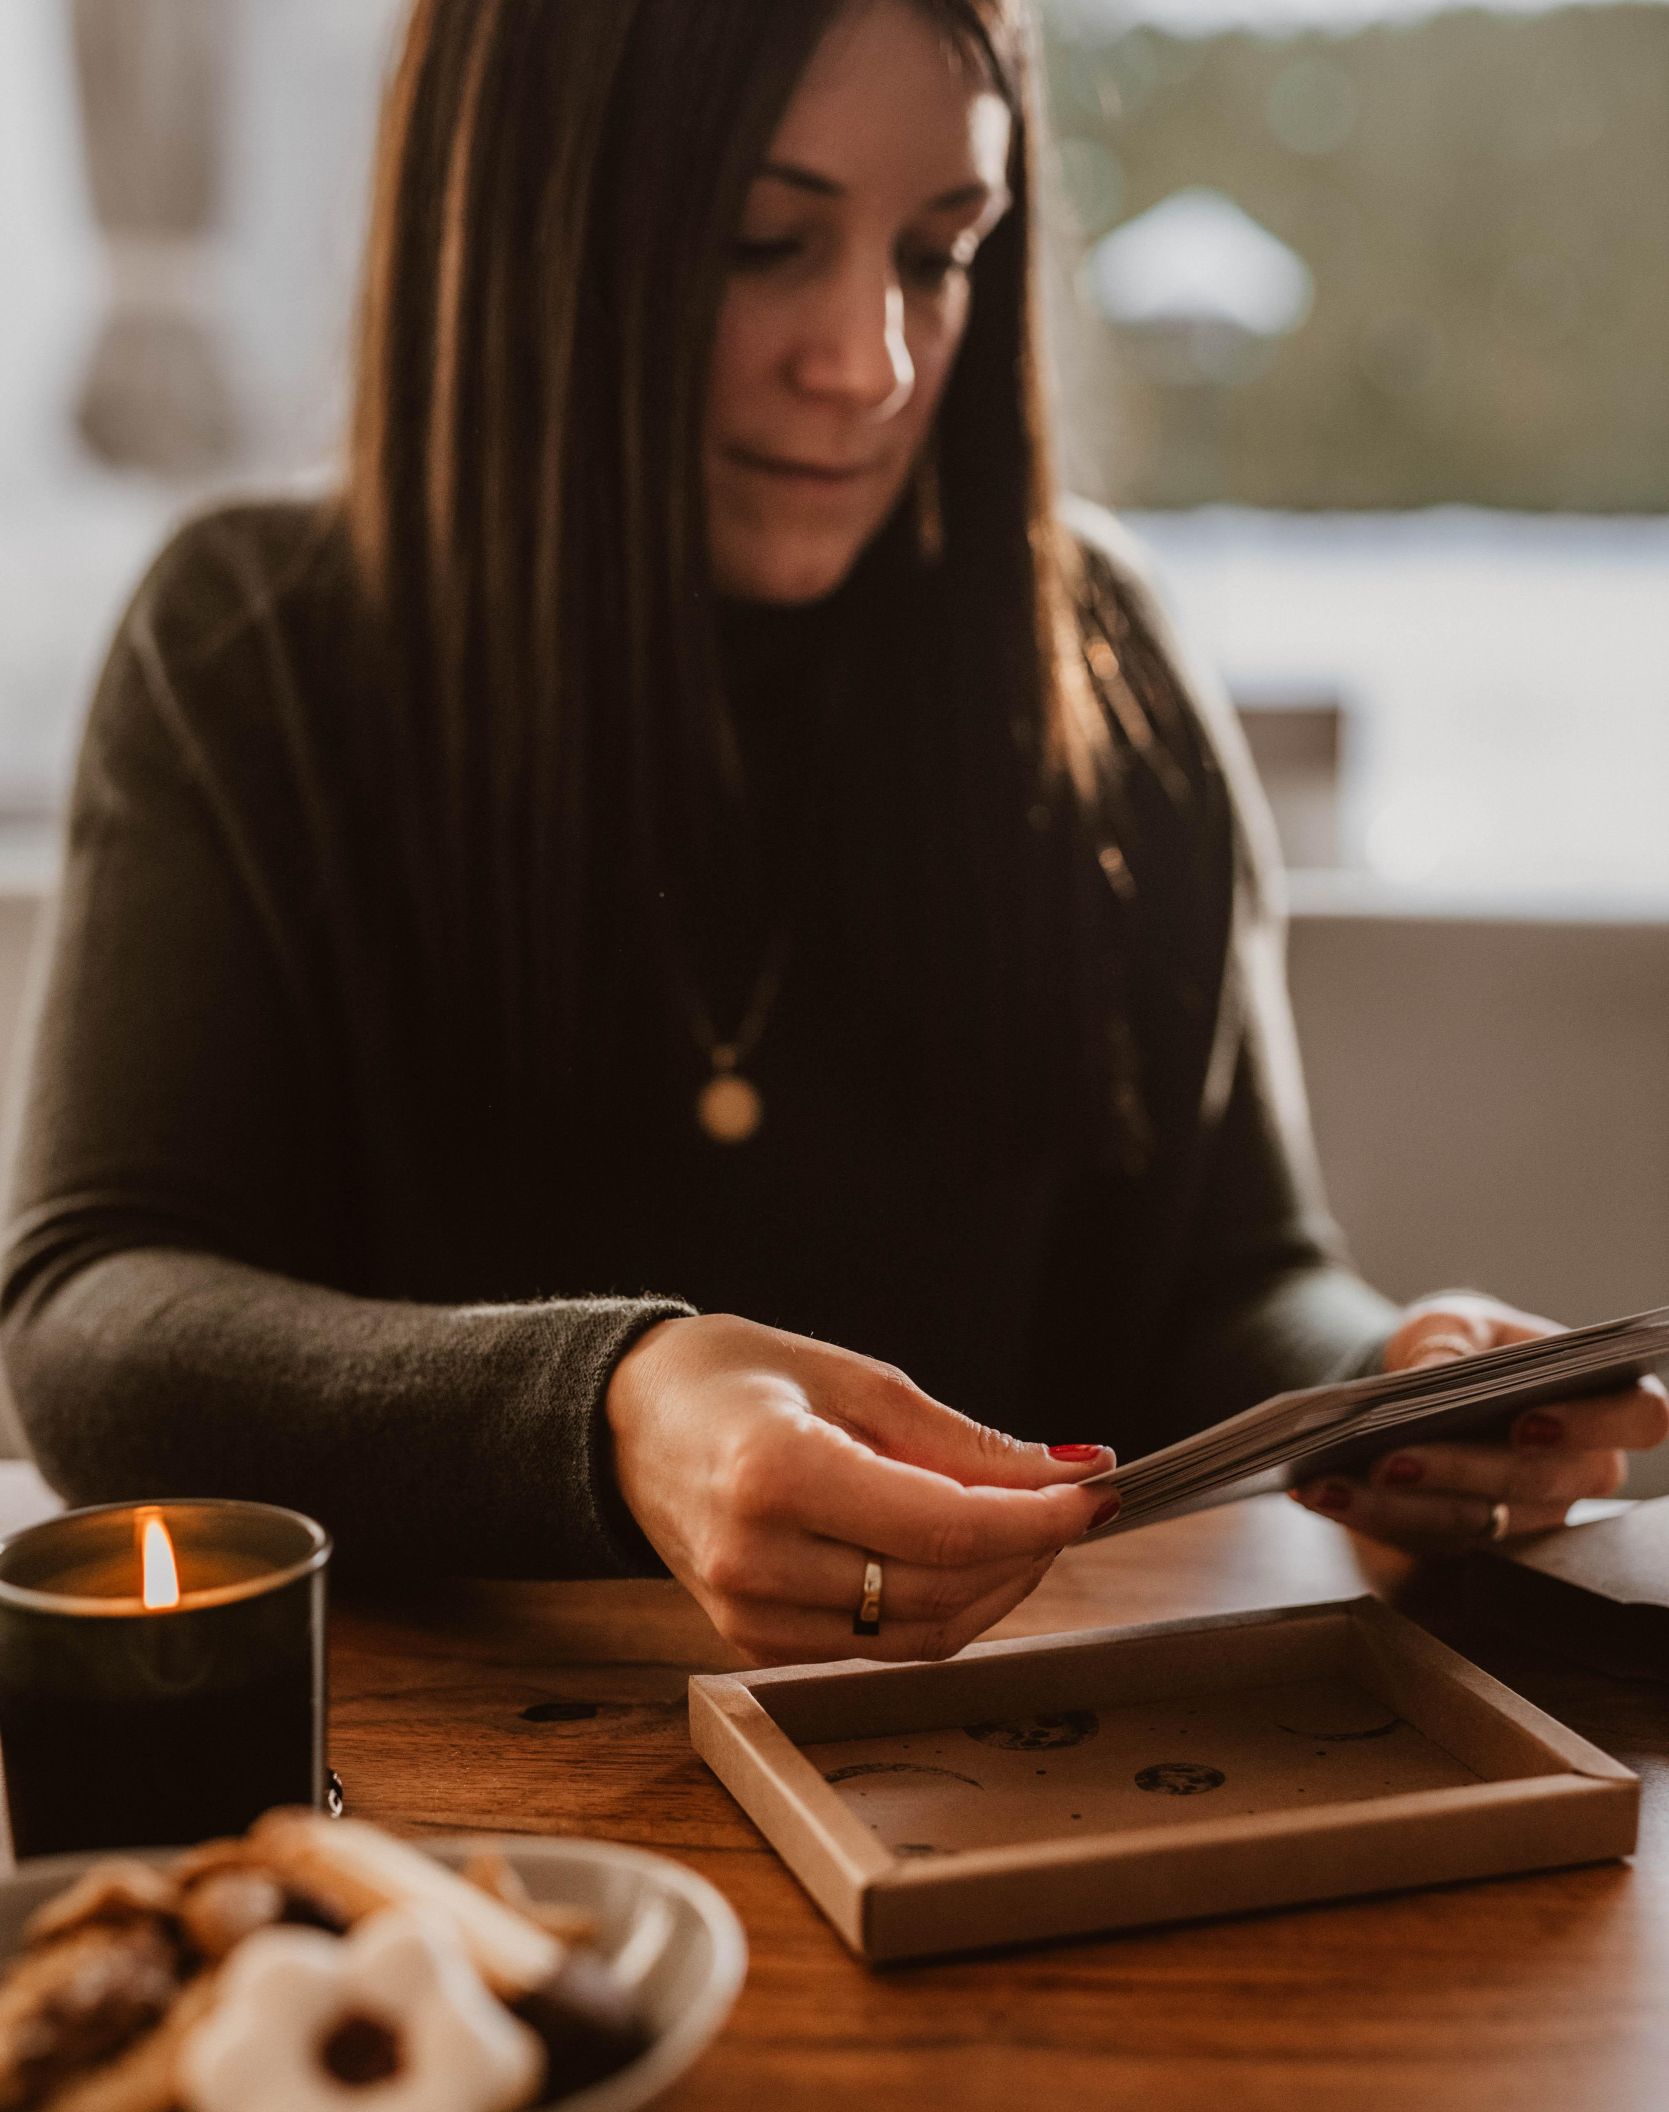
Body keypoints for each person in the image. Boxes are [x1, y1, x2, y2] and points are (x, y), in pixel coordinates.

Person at [2, 0, 1660, 1666]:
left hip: (1000, 1790)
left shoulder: (1095, 660)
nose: (867, 360)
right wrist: (611, 1410)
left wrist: (1389, 1388)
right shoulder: (249, 649)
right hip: (449, 1830)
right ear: (522, 228)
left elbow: (1229, 1283)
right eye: (761, 242)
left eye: (941, 255)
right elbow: (93, 1317)